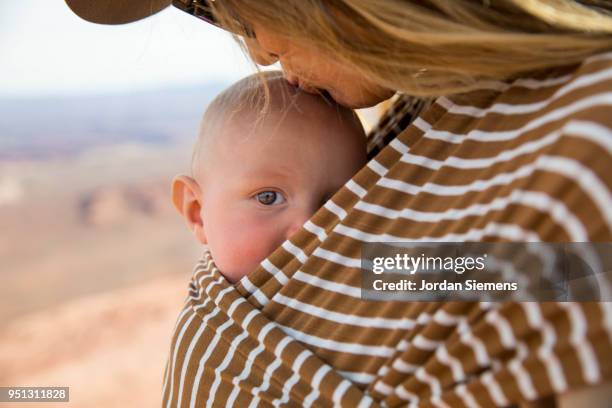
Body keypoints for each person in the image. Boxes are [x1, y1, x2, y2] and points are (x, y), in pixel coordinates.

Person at [64, 1, 612, 406]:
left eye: (247, 6)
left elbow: (551, 279)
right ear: (194, 210)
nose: (257, 48)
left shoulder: (583, 133)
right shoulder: (435, 114)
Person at [171, 71, 366, 283]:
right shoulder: (207, 314)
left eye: (336, 202)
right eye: (268, 197)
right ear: (197, 213)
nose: (309, 229)